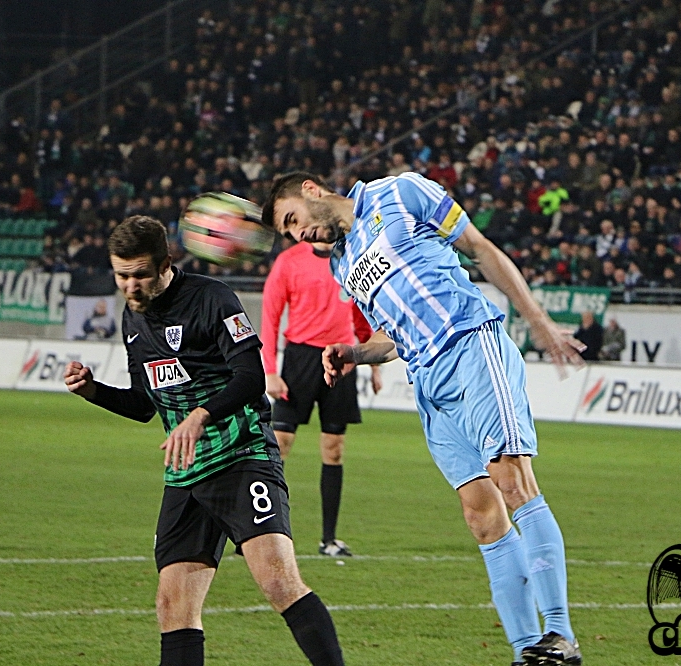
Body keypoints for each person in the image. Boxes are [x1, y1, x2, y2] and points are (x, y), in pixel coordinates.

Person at [264, 171, 586, 666]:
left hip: (471, 345)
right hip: (428, 381)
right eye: (288, 234)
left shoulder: (399, 191)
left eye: (293, 220)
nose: (298, 234)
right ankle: (529, 653)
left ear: (310, 190)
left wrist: (538, 322)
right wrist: (357, 351)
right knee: (481, 516)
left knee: (512, 480)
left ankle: (561, 634)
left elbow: (479, 247)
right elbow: (392, 335)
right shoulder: (341, 265)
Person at [62, 216, 344, 666]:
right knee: (173, 605)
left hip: (242, 456)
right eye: (122, 275)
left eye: (139, 275)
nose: (130, 286)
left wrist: (200, 415)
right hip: (185, 473)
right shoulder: (132, 319)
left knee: (278, 582)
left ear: (165, 264)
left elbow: (252, 378)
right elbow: (142, 404)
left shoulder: (212, 299)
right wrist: (92, 390)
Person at [261, 239, 382, 557]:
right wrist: (271, 370)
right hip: (299, 359)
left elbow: (360, 315)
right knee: (279, 445)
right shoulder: (289, 261)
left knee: (334, 449)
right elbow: (271, 317)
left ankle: (328, 540)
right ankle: (263, 534)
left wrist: (374, 363)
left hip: (342, 360)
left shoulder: (351, 258)